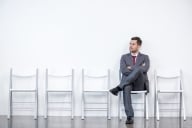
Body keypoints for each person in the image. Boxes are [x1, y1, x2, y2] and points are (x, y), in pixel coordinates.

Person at [109, 37, 150, 124]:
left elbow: (145, 69)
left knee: (139, 70)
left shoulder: (145, 57)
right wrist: (138, 68)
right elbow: (124, 70)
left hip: (140, 83)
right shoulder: (124, 57)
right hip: (129, 83)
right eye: (130, 44)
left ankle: (119, 87)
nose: (131, 46)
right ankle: (129, 116)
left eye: (133, 44)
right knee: (126, 86)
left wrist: (132, 68)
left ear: (139, 46)